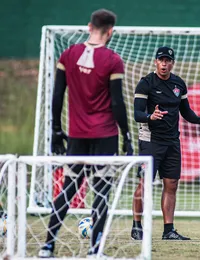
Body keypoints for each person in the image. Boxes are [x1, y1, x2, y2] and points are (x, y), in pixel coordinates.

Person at [38, 9, 133, 258]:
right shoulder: (113, 60)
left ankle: (48, 246)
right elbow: (117, 103)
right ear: (111, 31)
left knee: (69, 188)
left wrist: (56, 131)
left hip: (77, 136)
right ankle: (94, 251)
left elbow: (57, 96)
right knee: (101, 191)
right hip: (105, 136)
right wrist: (127, 135)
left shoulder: (68, 54)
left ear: (89, 26)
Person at [131, 46, 200, 240]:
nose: (164, 64)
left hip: (172, 142)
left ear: (172, 63)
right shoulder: (146, 84)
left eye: (168, 60)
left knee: (172, 184)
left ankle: (168, 230)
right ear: (155, 62)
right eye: (161, 60)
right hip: (150, 141)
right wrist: (151, 116)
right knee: (145, 183)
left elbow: (186, 111)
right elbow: (137, 114)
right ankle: (136, 226)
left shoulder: (179, 84)